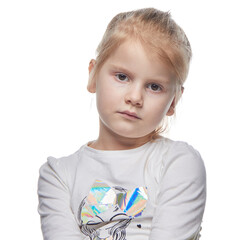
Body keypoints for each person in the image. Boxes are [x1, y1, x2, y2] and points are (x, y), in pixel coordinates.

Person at [37, 7, 206, 240]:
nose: (135, 98)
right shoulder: (58, 175)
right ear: (93, 75)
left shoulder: (178, 163)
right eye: (122, 76)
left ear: (173, 102)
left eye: (154, 86)